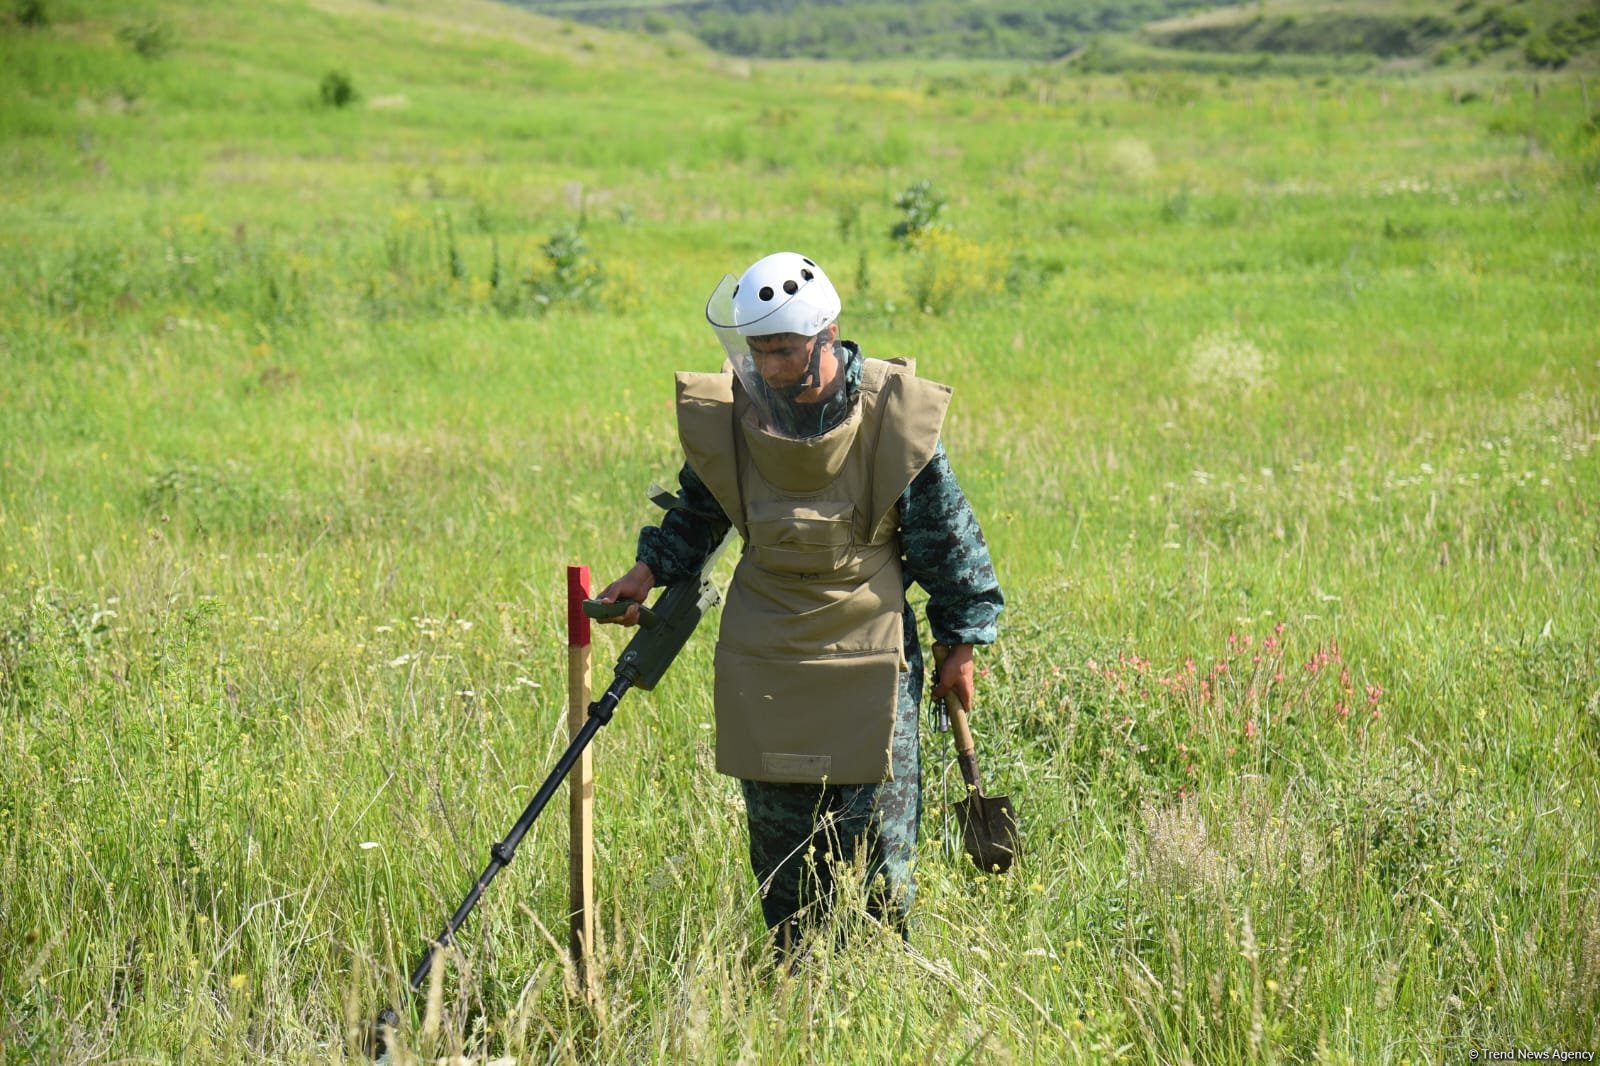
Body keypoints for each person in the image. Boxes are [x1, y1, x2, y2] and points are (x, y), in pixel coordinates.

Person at [596, 251, 1003, 953]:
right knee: (785, 865)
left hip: (872, 654)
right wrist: (647, 571)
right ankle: (797, 983)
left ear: (828, 333)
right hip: (767, 656)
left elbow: (946, 540)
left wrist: (959, 644)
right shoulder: (737, 415)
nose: (770, 369)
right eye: (758, 352)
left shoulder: (891, 416)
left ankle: (878, 992)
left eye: (784, 351)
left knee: (878, 862)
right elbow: (700, 512)